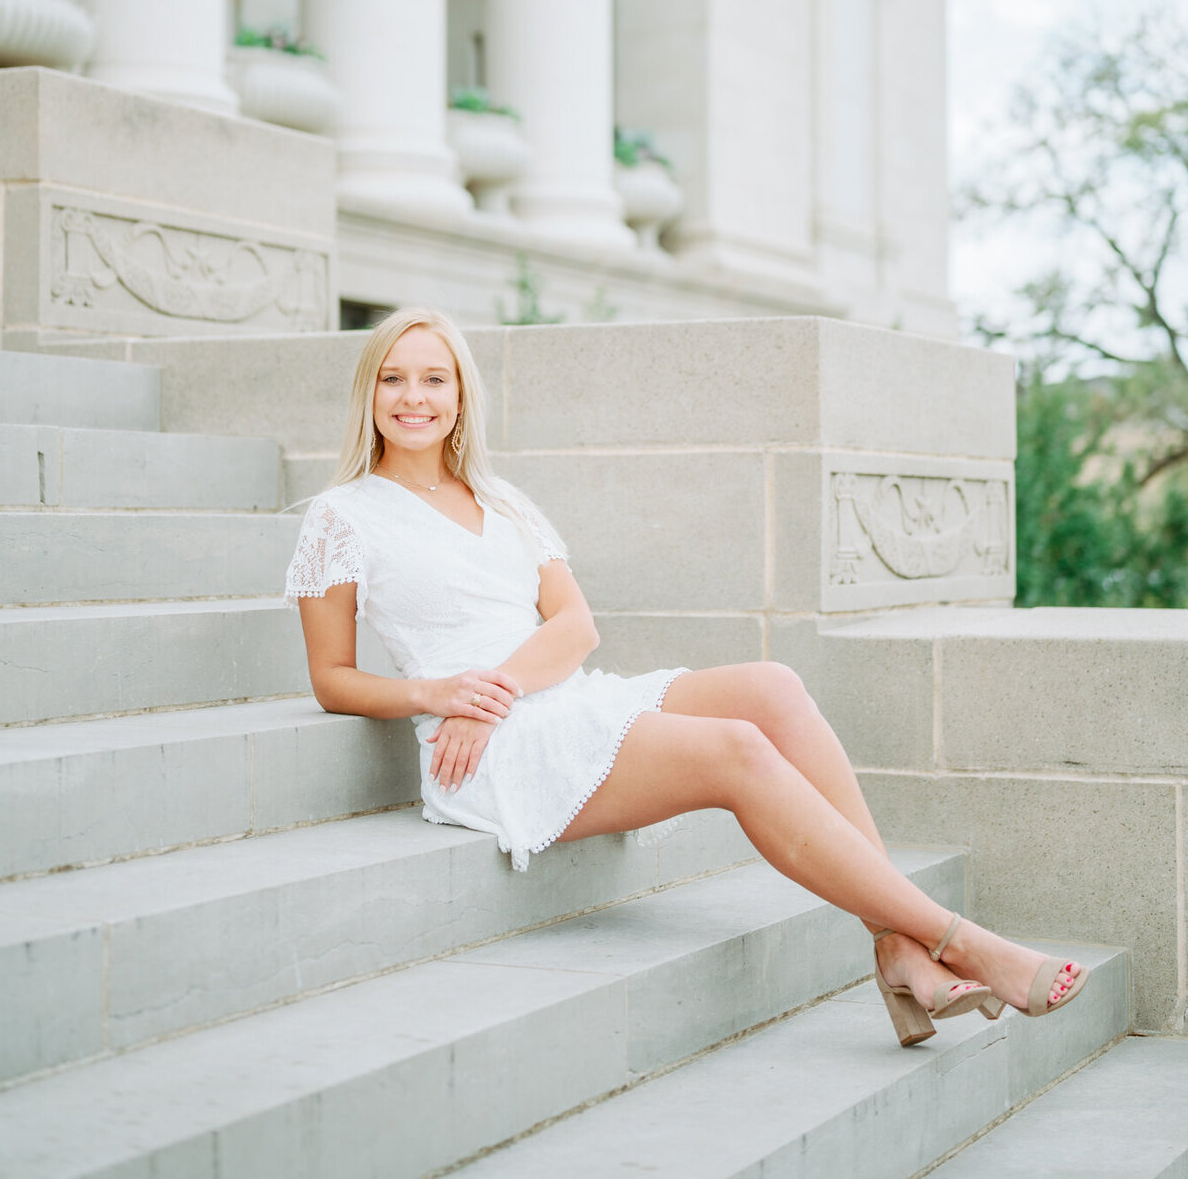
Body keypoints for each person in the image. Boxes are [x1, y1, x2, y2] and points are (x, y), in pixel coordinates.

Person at [286, 306, 1088, 1047]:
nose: (413, 397)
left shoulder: (502, 499)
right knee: (735, 749)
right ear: (369, 394)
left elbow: (576, 627)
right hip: (485, 754)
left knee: (771, 688)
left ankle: (897, 946)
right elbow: (332, 678)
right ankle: (958, 942)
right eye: (393, 378)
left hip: (543, 697)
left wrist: (494, 689)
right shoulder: (342, 516)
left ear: (461, 397)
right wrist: (442, 695)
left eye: (435, 378)